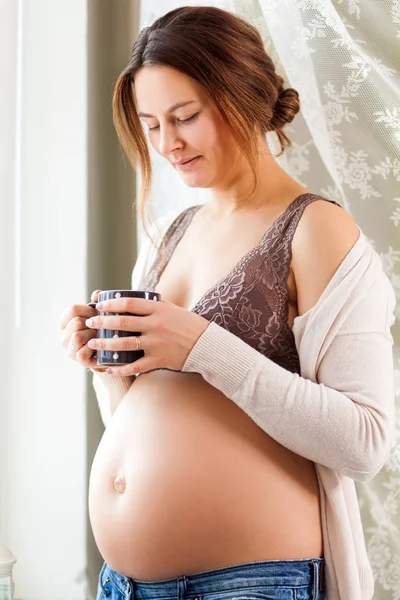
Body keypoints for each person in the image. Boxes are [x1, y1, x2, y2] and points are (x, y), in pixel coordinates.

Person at [58, 6, 396, 600]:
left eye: (185, 117)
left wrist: (203, 346)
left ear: (242, 94)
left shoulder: (315, 230)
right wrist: (106, 368)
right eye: (151, 124)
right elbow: (159, 421)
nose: (168, 144)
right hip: (125, 585)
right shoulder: (171, 233)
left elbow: (364, 442)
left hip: (250, 584)